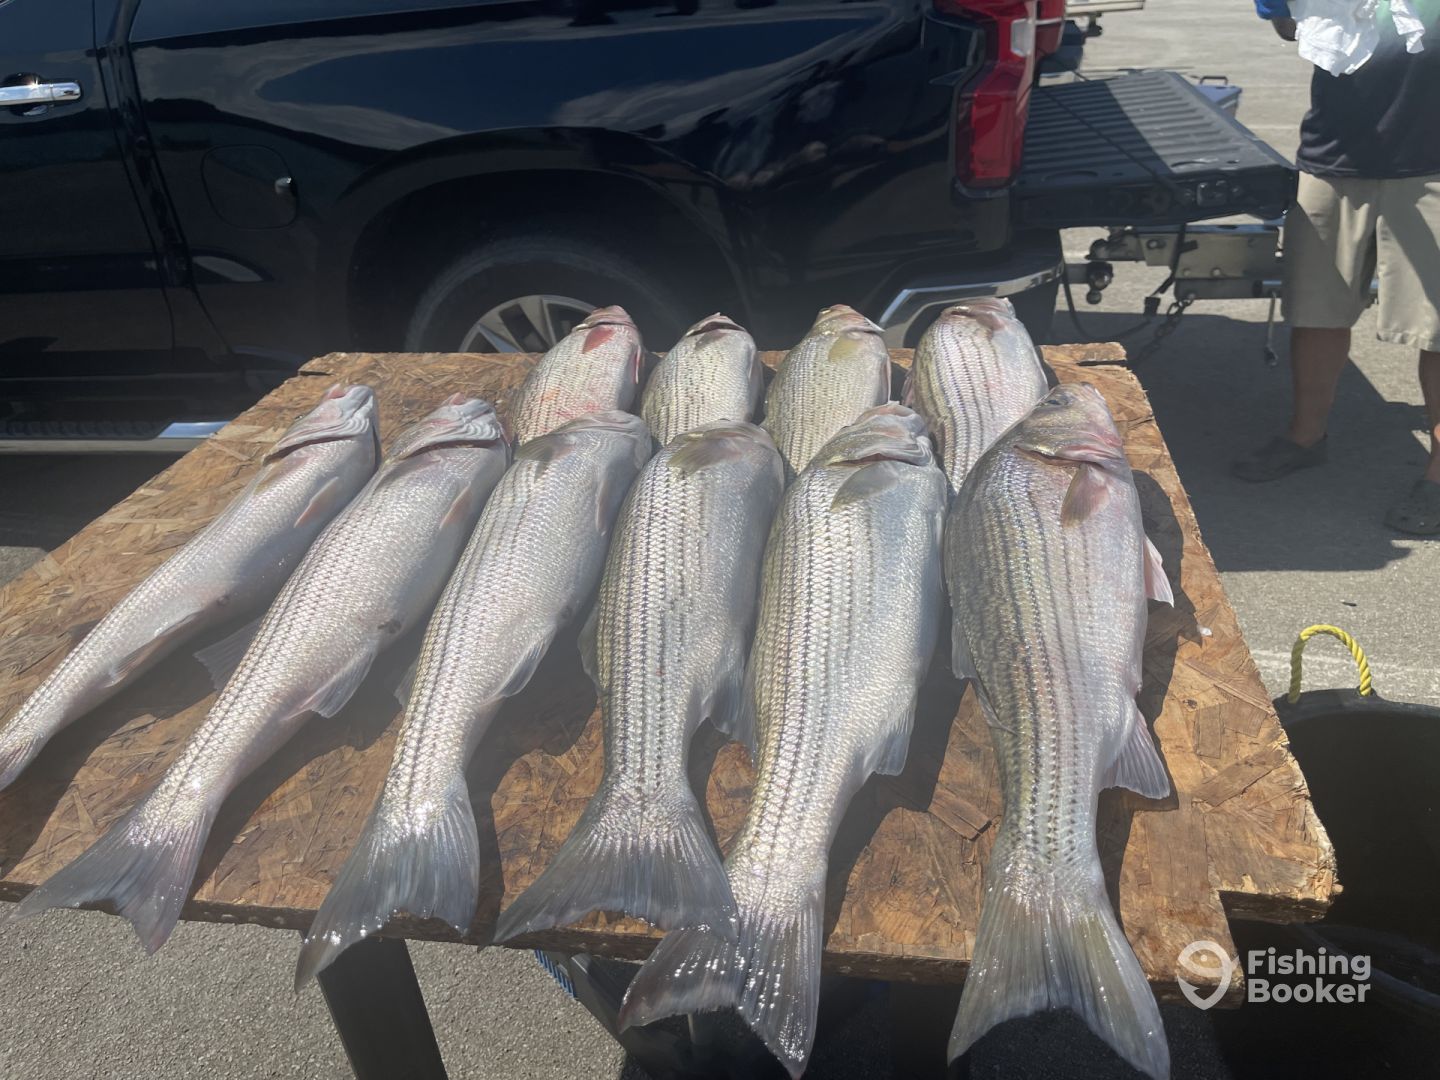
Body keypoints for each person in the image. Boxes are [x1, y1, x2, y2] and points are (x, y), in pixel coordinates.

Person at [1233, 0, 1440, 535]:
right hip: (1335, 153)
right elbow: (1287, 25)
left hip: (1433, 162)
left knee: (1437, 328)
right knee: (1316, 307)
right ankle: (1305, 437)